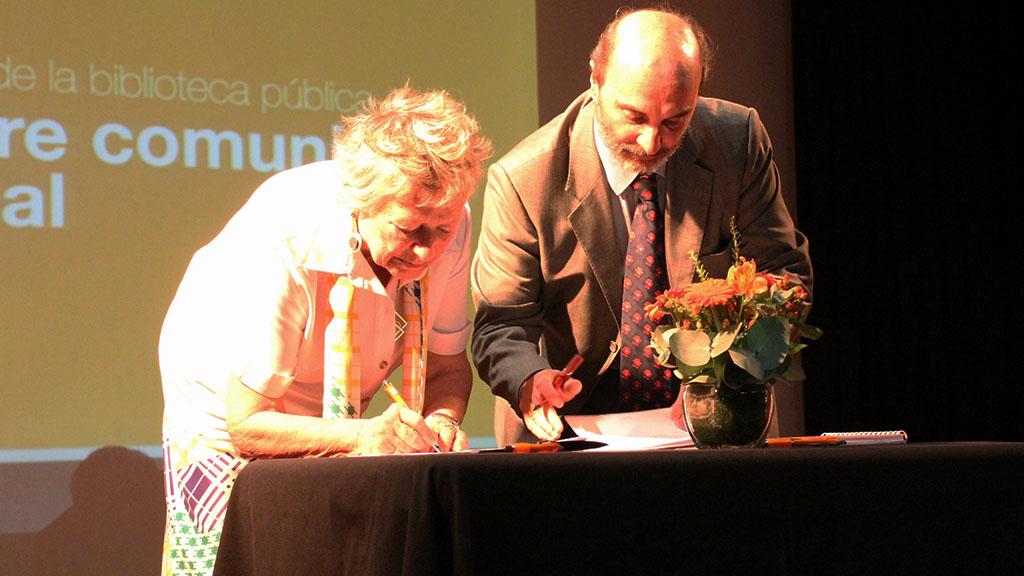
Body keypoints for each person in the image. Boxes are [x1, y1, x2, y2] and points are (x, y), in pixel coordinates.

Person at [158, 86, 491, 575]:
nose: (427, 252)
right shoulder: (286, 233)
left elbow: (445, 365)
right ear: (363, 201)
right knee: (230, 558)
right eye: (410, 231)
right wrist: (358, 438)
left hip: (339, 411)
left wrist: (442, 423)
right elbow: (248, 424)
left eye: (440, 232)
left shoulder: (448, 216)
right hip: (224, 412)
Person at [471, 7, 812, 444]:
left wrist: (716, 379)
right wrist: (530, 379)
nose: (653, 142)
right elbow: (501, 324)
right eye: (634, 117)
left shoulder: (737, 141)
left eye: (675, 120)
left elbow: (784, 280)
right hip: (571, 435)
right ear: (595, 82)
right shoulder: (524, 179)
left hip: (716, 426)